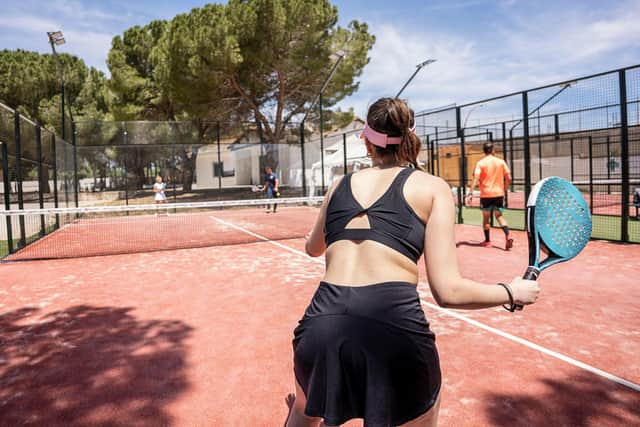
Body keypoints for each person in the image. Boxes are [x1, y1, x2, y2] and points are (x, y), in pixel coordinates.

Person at [285, 98, 540, 427]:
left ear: (366, 141)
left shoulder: (338, 186)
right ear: (410, 138)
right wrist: (512, 291)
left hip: (321, 324)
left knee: (304, 412)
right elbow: (448, 291)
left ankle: (301, 411)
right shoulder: (432, 187)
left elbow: (312, 248)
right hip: (393, 326)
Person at [466, 142, 513, 249]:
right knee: (499, 216)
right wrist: (504, 189)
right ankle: (508, 235)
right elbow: (509, 178)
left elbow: (476, 178)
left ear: (484, 151)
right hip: (498, 194)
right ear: (492, 150)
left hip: (486, 195)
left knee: (486, 219)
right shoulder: (501, 162)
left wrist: (470, 192)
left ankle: (487, 242)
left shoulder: (480, 163)